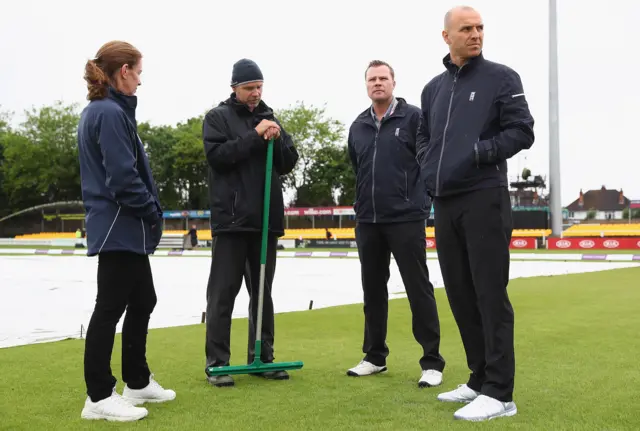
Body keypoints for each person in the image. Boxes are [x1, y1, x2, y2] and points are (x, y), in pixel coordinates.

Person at [416, 6, 535, 421]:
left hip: (485, 197)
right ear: (446, 36)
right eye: (466, 29)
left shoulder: (502, 77)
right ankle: (479, 378)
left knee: (489, 295)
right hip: (445, 203)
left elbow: (522, 130)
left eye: (480, 28)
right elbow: (424, 137)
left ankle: (501, 393)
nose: (476, 34)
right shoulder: (432, 89)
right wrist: (429, 170)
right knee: (461, 295)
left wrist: (481, 152)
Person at [77, 40, 176, 422]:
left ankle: (137, 380)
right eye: (138, 72)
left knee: (144, 299)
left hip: (123, 227)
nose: (140, 80)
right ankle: (99, 396)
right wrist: (152, 211)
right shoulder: (108, 113)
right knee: (109, 309)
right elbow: (122, 178)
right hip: (120, 225)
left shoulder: (107, 111)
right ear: (124, 72)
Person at [345, 60, 445, 388]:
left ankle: (432, 362)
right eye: (372, 79)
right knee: (373, 292)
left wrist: (419, 201)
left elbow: (429, 160)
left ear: (393, 82)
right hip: (368, 220)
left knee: (418, 289)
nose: (377, 83)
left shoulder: (414, 118)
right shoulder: (358, 125)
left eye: (383, 78)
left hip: (405, 218)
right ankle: (374, 357)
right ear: (366, 84)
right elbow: (357, 165)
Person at [202, 59, 299, 387]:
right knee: (223, 293)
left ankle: (263, 358)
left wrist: (278, 136)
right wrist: (256, 136)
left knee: (263, 293)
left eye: (259, 87)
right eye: (249, 88)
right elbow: (218, 158)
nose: (255, 93)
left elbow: (287, 163)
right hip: (231, 222)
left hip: (266, 222)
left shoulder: (269, 116)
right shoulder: (217, 118)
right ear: (234, 88)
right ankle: (217, 362)